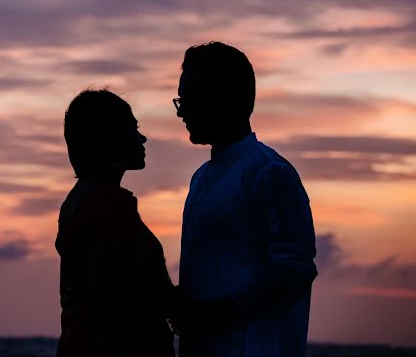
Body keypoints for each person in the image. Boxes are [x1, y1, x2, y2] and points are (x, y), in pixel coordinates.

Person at [173, 42, 318, 356]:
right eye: (181, 100)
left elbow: (294, 271)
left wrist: (217, 313)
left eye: (194, 98)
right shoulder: (202, 178)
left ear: (232, 98)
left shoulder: (269, 173)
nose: (183, 110)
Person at [55, 89, 175, 357]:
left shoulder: (79, 201)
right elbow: (125, 293)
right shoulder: (107, 205)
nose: (142, 138)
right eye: (133, 129)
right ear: (110, 139)